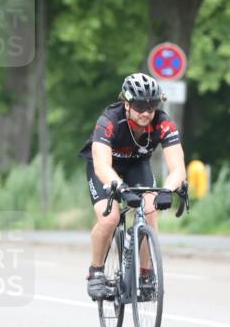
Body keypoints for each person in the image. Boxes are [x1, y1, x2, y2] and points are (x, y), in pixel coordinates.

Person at [79, 72, 186, 300]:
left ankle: (146, 276)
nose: (146, 112)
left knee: (149, 211)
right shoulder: (109, 121)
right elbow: (101, 166)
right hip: (106, 168)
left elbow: (178, 168)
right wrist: (123, 189)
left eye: (152, 106)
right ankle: (96, 271)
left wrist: (167, 190)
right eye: (139, 106)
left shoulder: (163, 123)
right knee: (110, 218)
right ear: (126, 103)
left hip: (137, 165)